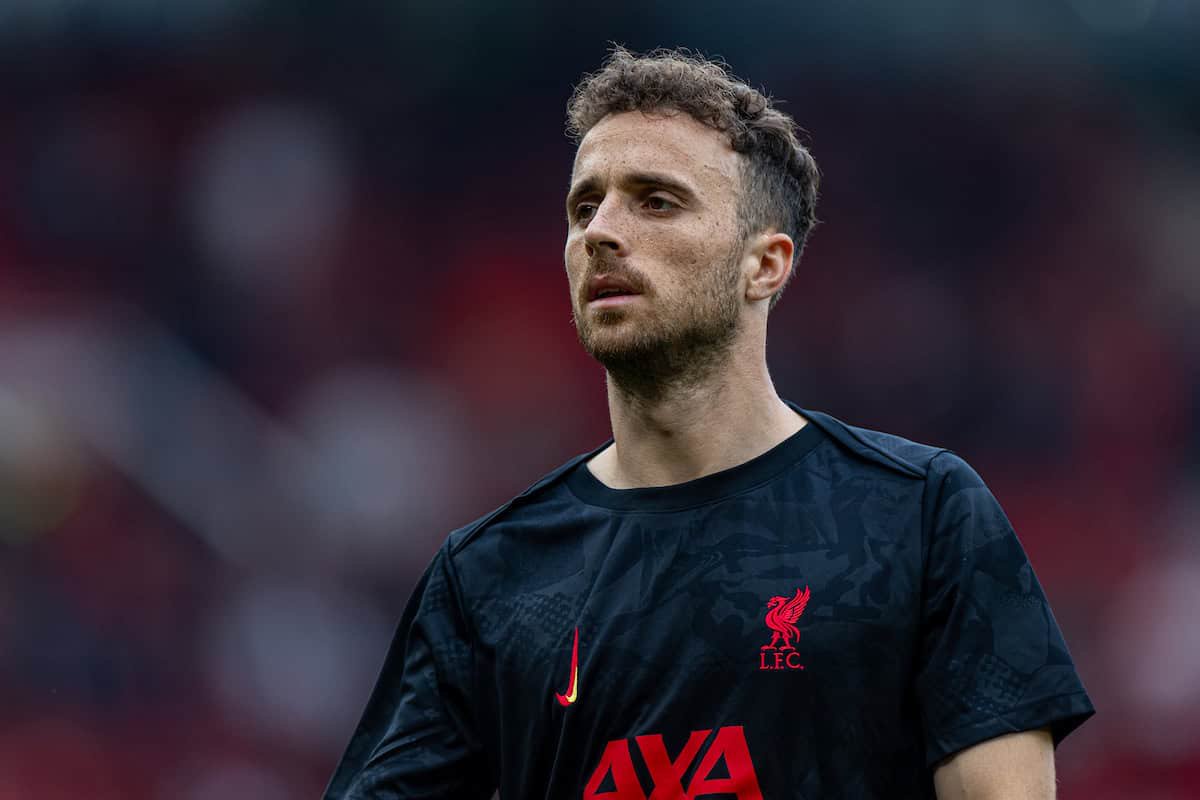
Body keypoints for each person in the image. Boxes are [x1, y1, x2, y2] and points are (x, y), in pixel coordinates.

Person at [324, 47, 1094, 800]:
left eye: (656, 200)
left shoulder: (921, 515)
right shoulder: (490, 574)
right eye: (584, 206)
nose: (600, 231)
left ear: (766, 265)